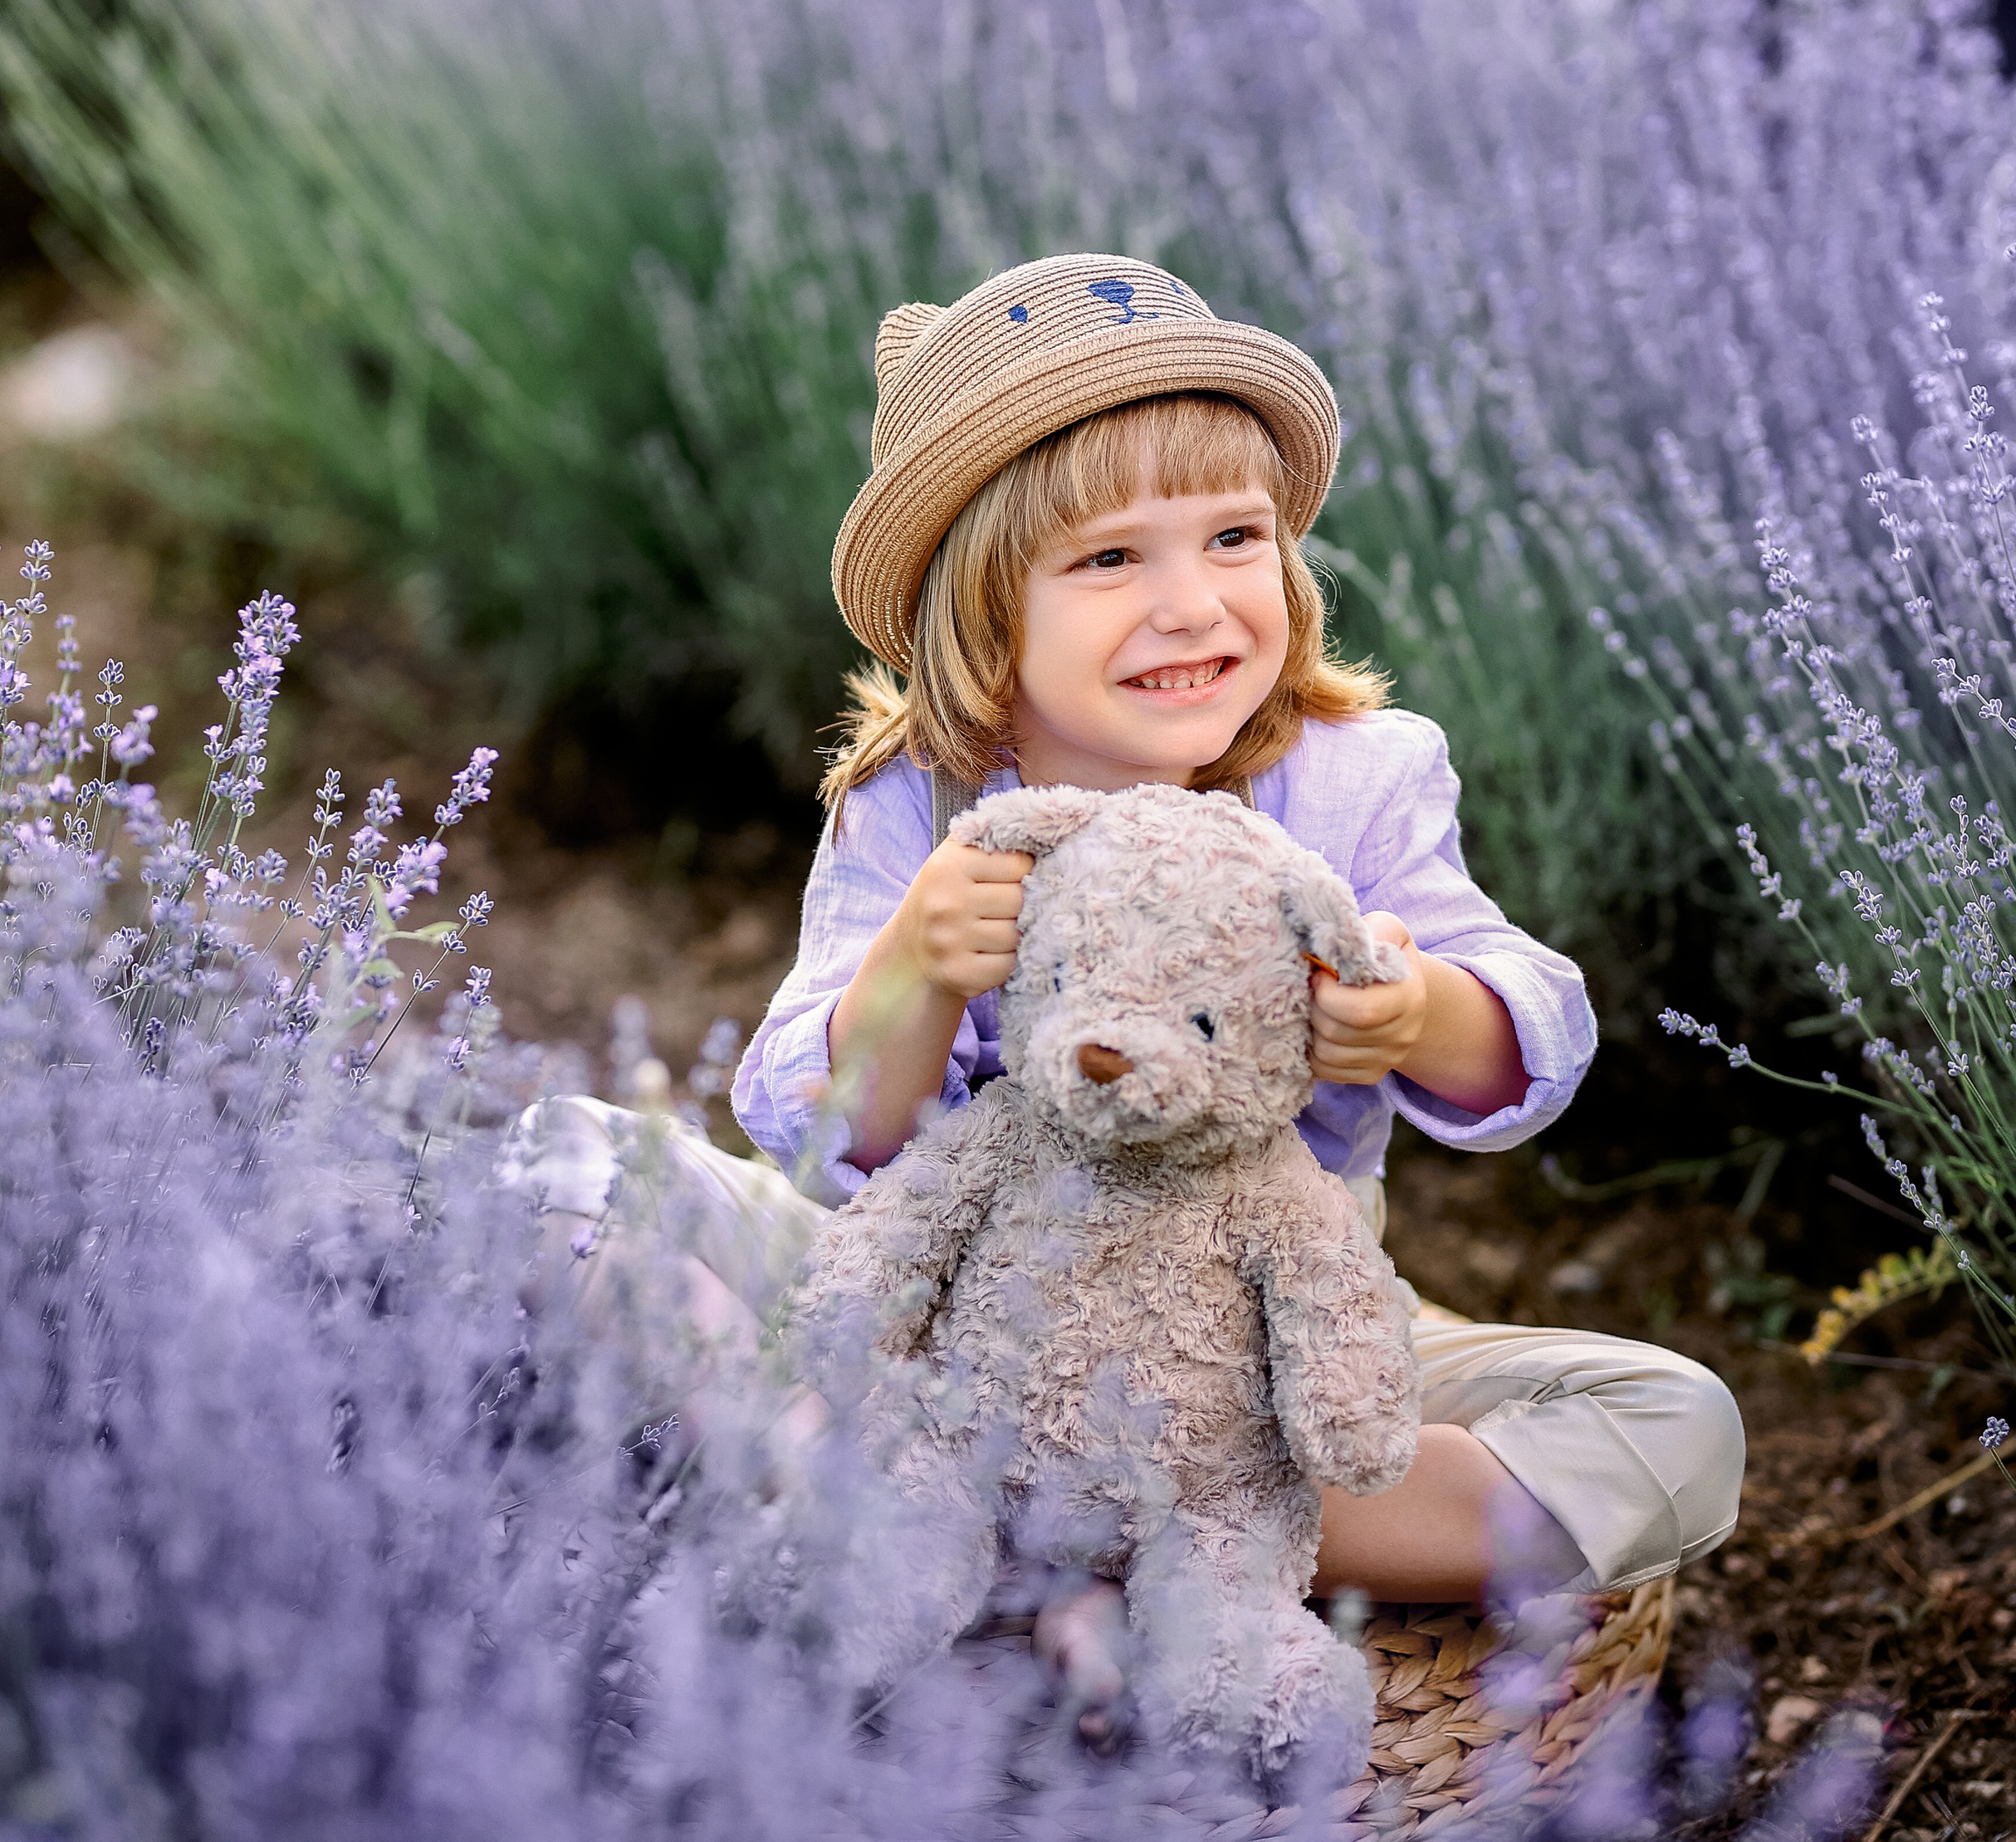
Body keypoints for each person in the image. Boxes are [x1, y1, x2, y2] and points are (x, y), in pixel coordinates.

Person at [519, 252, 1744, 1736]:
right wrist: (911, 971)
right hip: (936, 1328)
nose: (1191, 606)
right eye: (1109, 561)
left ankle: (1137, 1527)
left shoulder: (1355, 778)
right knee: (555, 1173)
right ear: (979, 615)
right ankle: (848, 1475)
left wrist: (1419, 1014)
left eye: (1234, 537)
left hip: (1253, 1346)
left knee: (1676, 1427)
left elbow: (1525, 1032)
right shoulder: (919, 809)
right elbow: (812, 1126)